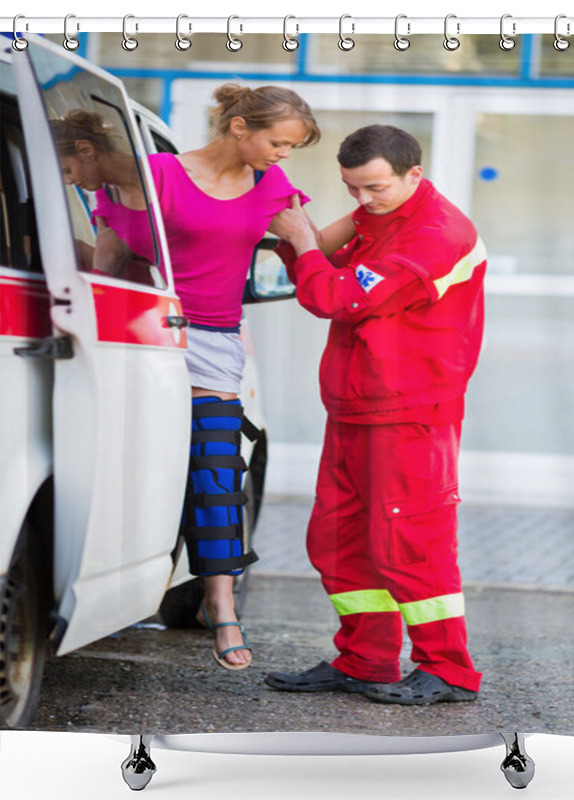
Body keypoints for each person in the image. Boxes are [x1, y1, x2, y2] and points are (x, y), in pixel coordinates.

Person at [264, 124, 487, 704]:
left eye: (375, 188)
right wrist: (293, 230)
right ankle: (365, 661)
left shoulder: (438, 234)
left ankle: (449, 670)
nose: (362, 200)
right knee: (339, 538)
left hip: (409, 411)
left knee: (410, 542)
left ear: (415, 173)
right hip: (356, 406)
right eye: (351, 188)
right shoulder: (378, 215)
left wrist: (304, 243)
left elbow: (336, 296)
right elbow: (317, 266)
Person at [144, 84, 323, 670]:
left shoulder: (273, 188)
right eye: (279, 143)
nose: (284, 156)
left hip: (217, 342)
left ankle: (220, 606)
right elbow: (117, 252)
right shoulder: (161, 171)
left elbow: (309, 245)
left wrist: (381, 221)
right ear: (239, 126)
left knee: (219, 472)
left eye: (293, 148)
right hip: (148, 330)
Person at [52, 109, 156, 283]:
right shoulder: (106, 199)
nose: (67, 181)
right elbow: (129, 271)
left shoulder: (162, 176)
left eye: (66, 170)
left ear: (85, 149)